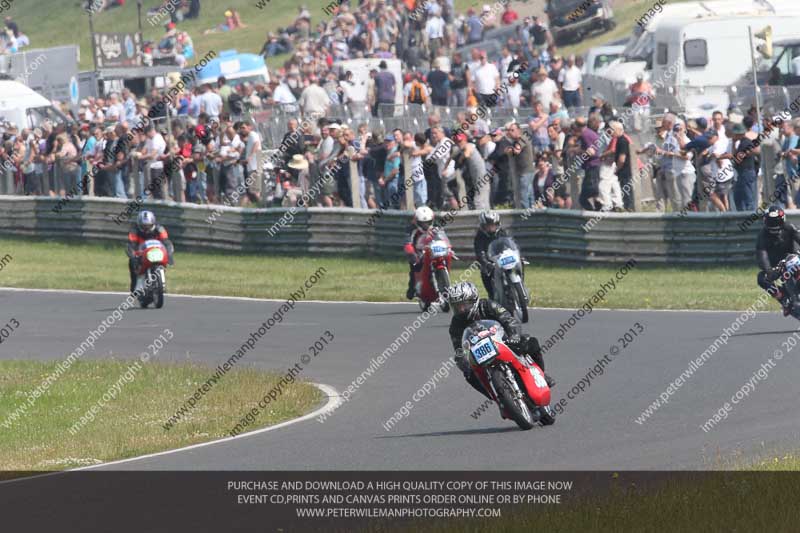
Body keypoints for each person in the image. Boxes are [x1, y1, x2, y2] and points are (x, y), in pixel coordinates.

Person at [447, 281, 554, 402]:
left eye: (464, 305)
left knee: (530, 341)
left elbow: (509, 320)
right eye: (457, 306)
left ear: (474, 300)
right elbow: (458, 348)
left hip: (504, 341)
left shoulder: (488, 305)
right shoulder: (455, 324)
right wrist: (462, 360)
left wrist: (514, 335)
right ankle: (493, 395)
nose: (461, 310)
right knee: (468, 373)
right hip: (480, 354)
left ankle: (542, 375)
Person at [756, 206, 800, 315]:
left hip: (793, 259)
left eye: (776, 222)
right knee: (761, 278)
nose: (774, 226)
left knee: (791, 261)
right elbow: (762, 255)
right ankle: (783, 299)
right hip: (776, 266)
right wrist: (769, 270)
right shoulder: (762, 236)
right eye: (771, 223)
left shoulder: (790, 227)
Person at [127, 210, 174, 294]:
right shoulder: (134, 230)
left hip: (157, 252)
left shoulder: (160, 229)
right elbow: (130, 245)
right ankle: (134, 286)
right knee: (131, 263)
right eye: (144, 226)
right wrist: (133, 255)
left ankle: (161, 284)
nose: (146, 228)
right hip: (141, 253)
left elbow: (167, 242)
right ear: (139, 225)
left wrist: (169, 255)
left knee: (163, 264)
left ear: (153, 223)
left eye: (148, 226)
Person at [403, 205, 435, 300]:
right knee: (415, 269)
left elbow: (443, 237)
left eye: (427, 223)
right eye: (422, 223)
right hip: (417, 253)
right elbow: (407, 243)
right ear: (417, 221)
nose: (425, 226)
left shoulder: (436, 227)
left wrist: (448, 248)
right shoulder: (411, 229)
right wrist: (412, 254)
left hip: (433, 251)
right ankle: (412, 288)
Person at [474, 211, 507, 300]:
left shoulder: (502, 232)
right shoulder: (480, 236)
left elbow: (509, 244)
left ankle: (519, 286)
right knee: (484, 271)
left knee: (520, 263)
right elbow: (479, 252)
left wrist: (516, 254)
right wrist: (486, 263)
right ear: (483, 225)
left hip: (503, 259)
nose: (491, 227)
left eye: (493, 224)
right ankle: (492, 295)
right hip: (489, 261)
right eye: (488, 225)